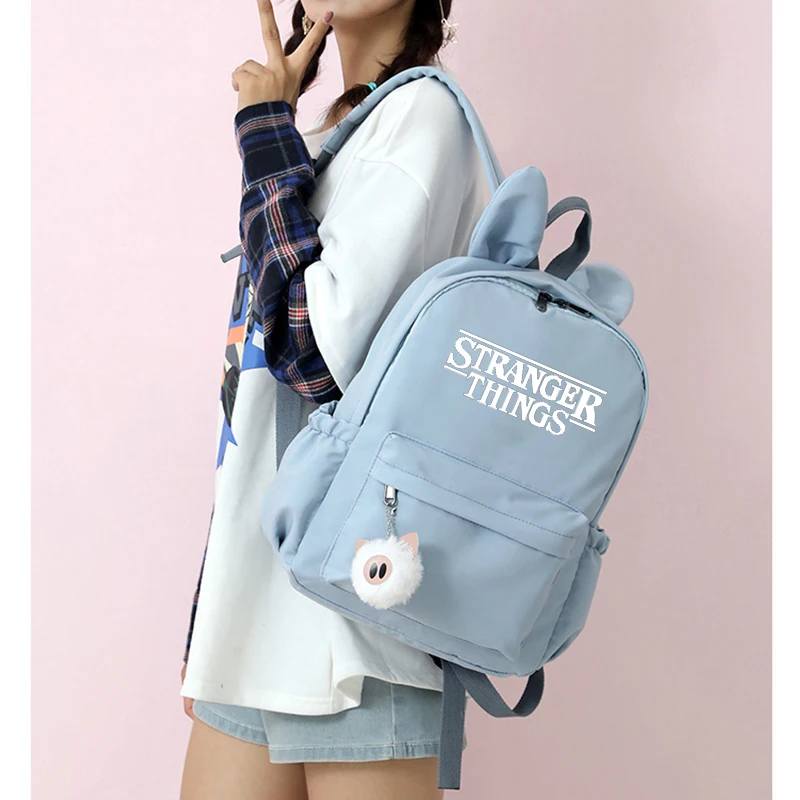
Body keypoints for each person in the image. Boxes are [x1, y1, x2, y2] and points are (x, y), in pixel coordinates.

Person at [179, 1, 490, 798]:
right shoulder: (322, 139)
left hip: (353, 613)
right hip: (258, 599)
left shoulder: (421, 117)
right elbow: (259, 394)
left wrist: (262, 129)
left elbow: (311, 354)